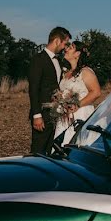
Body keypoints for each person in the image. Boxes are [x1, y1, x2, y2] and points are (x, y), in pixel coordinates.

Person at [28, 26, 71, 154]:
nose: (65, 47)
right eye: (65, 43)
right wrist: (37, 115)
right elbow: (33, 89)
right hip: (42, 113)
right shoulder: (38, 59)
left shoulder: (59, 61)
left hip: (55, 114)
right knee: (38, 150)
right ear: (57, 41)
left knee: (50, 150)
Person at [54, 40, 102, 146]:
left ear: (78, 53)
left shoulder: (86, 72)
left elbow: (96, 92)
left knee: (77, 145)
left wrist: (77, 104)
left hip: (81, 114)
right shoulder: (66, 73)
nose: (65, 49)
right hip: (65, 116)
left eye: (70, 48)